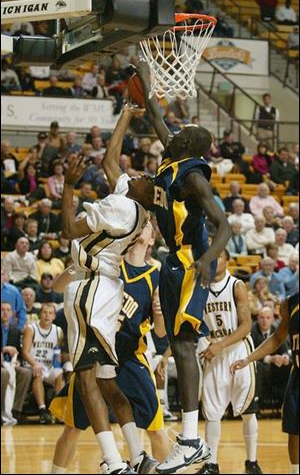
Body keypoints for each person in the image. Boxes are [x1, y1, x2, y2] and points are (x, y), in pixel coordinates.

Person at [136, 60, 232, 474]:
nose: (176, 130)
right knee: (177, 347)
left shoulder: (194, 176)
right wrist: (142, 67)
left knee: (183, 346)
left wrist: (207, 261)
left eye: (185, 132)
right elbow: (156, 114)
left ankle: (191, 441)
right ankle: (191, 441)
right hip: (174, 260)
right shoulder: (171, 160)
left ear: (191, 145)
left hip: (191, 262)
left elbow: (224, 224)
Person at [58, 104, 158, 474]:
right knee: (109, 383)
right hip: (107, 291)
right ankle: (138, 456)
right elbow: (111, 161)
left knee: (85, 380)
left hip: (90, 288)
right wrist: (128, 114)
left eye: (146, 177)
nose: (139, 174)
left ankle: (114, 463)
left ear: (145, 193)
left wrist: (68, 186)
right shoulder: (132, 202)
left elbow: (69, 229)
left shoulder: (122, 207)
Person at [49, 222, 171, 473]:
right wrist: (78, 265)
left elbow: (160, 332)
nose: (140, 229)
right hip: (95, 354)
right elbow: (57, 287)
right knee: (72, 428)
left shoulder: (156, 276)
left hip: (129, 357)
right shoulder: (107, 261)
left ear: (151, 240)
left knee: (156, 429)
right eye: (137, 225)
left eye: (146, 227)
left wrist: (159, 313)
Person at [197, 250, 262, 474]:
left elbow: (245, 326)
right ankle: (211, 463)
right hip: (213, 351)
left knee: (248, 409)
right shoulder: (200, 287)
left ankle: (251, 462)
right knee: (212, 411)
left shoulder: (236, 285)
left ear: (228, 261)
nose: (214, 261)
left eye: (219, 257)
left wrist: (220, 345)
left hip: (237, 351)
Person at [231, 293, 299, 475]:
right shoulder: (290, 303)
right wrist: (248, 359)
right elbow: (277, 338)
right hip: (297, 377)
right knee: (294, 430)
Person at [22, 302, 65, 424]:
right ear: (40, 314)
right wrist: (35, 364)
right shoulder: (31, 329)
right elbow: (25, 352)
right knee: (38, 374)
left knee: (59, 376)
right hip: (32, 363)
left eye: (50, 313)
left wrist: (59, 365)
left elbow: (58, 352)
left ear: (54, 316)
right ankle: (42, 410)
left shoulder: (58, 331)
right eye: (45, 312)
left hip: (50, 365)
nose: (47, 315)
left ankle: (57, 412)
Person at [1, 302, 32, 423]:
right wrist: (3, 350)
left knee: (25, 373)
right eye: (2, 310)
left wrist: (18, 361)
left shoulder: (15, 330)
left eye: (8, 310)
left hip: (10, 364)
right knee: (4, 374)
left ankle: (15, 410)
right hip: (2, 366)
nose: (5, 312)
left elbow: (18, 352)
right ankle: (2, 410)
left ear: (13, 314)